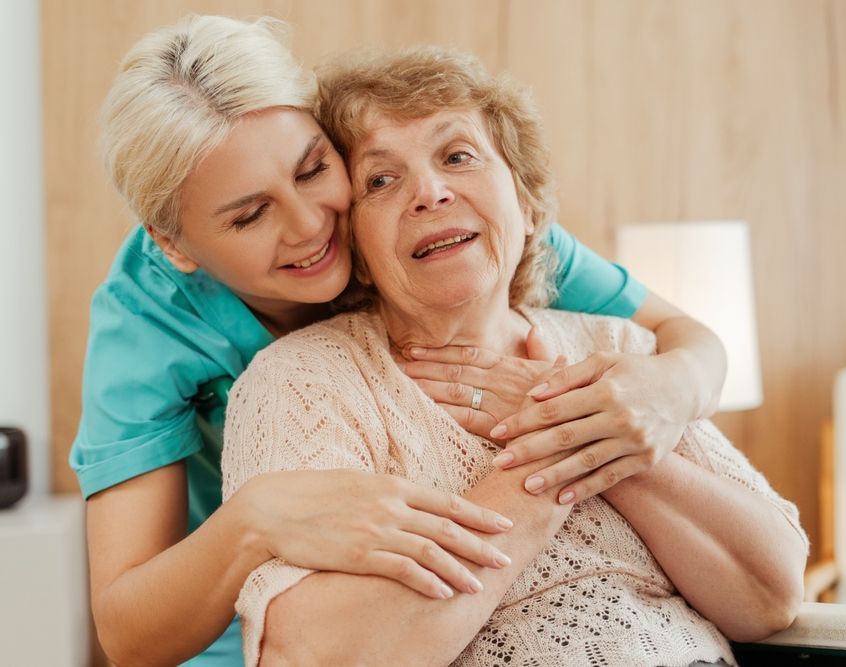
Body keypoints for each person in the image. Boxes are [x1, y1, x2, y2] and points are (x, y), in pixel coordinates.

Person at [70, 15, 729, 667]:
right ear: (175, 244)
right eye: (250, 214)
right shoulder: (147, 325)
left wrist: (670, 389)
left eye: (311, 169)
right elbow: (128, 635)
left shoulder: (455, 229)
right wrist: (252, 522)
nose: (310, 227)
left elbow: (687, 337)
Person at [221, 46, 808, 666]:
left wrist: (608, 435)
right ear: (356, 249)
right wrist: (555, 436)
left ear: (528, 207)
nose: (430, 191)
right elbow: (313, 656)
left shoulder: (620, 352)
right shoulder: (305, 382)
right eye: (381, 180)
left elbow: (772, 595)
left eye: (458, 156)